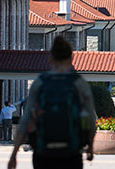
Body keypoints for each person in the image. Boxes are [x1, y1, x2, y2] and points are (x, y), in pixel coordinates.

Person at [8, 36, 96, 169]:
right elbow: (90, 119)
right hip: (71, 153)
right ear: (71, 58)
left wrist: (14, 154)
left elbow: (25, 120)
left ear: (50, 59)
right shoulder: (79, 83)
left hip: (43, 153)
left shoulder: (40, 83)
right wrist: (90, 146)